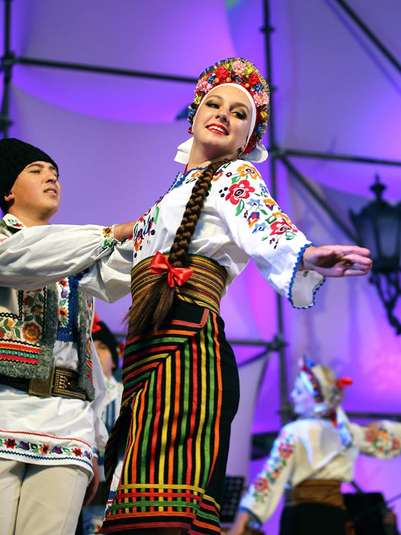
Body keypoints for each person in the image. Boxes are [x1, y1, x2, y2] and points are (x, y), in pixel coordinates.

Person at [0, 59, 371, 535]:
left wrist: (308, 254)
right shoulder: (169, 201)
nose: (224, 114)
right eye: (214, 104)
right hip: (150, 355)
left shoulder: (234, 177)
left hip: (186, 351)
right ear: (194, 116)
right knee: (138, 505)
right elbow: (102, 273)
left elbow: (264, 222)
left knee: (164, 509)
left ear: (247, 140)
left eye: (239, 113)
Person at [0, 138, 133, 535]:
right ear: (7, 191)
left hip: (67, 425)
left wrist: (95, 441)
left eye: (55, 173)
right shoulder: (13, 245)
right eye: (36, 171)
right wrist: (115, 232)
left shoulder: (76, 255)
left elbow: (82, 353)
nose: (51, 178)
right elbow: (18, 258)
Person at [228, 358, 401, 535]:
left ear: (314, 398)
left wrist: (243, 519)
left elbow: (271, 477)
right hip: (334, 518)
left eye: (299, 391)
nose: (292, 396)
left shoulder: (295, 431)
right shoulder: (348, 432)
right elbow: (388, 440)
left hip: (301, 518)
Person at [79, 315, 124, 535]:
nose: (96, 352)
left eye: (103, 347)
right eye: (92, 346)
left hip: (114, 486)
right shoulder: (77, 396)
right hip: (83, 479)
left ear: (115, 359)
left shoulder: (125, 396)